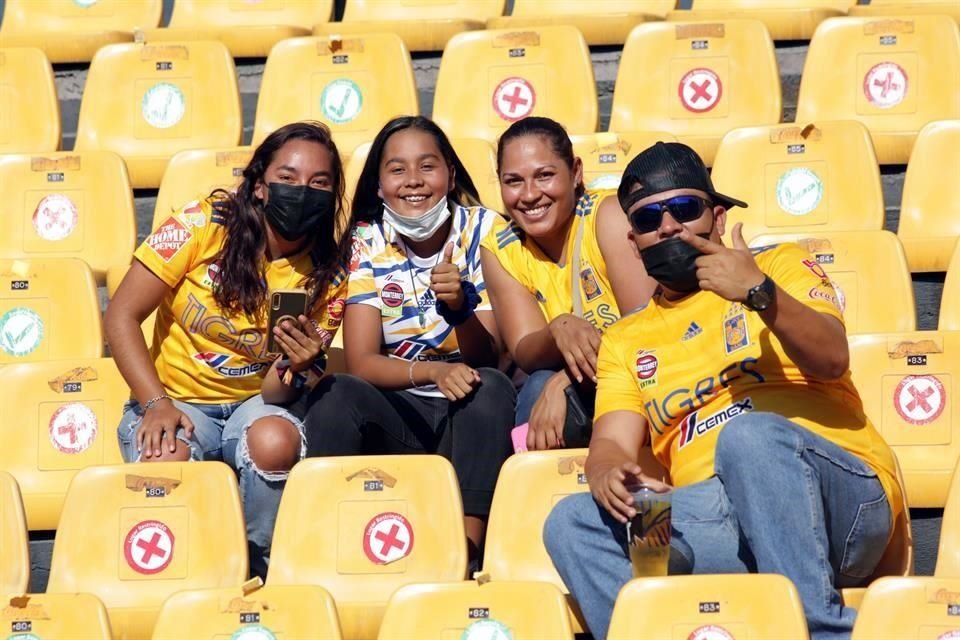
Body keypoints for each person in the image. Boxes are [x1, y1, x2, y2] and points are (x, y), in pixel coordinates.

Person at [543, 142, 906, 640]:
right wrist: (606, 470)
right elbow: (611, 441)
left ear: (716, 216)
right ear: (634, 242)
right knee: (571, 523)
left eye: (684, 209)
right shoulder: (627, 339)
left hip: (842, 503)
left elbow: (832, 356)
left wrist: (758, 293)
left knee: (748, 437)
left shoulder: (777, 266)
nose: (669, 227)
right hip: (722, 519)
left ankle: (818, 630)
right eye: (650, 219)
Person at [105, 121, 350, 578]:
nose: (303, 192)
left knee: (275, 441)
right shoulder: (203, 225)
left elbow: (278, 395)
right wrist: (154, 402)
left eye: (320, 183)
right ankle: (191, 575)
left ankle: (260, 566)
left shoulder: (329, 273)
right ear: (260, 185)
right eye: (288, 178)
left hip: (255, 403)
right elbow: (119, 316)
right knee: (165, 456)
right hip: (175, 398)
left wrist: (298, 365)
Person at [298, 116, 515, 567]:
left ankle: (467, 552)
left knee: (488, 385)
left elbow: (491, 353)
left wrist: (459, 310)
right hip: (403, 408)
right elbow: (362, 361)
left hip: (469, 408)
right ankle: (330, 542)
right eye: (397, 170)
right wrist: (432, 370)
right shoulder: (366, 240)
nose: (413, 181)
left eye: (427, 167)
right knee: (337, 393)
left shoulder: (485, 230)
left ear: (450, 175)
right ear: (379, 185)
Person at [481, 116, 655, 451]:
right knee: (536, 384)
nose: (530, 195)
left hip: (641, 371)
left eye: (545, 175)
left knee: (545, 384)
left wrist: (564, 380)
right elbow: (526, 351)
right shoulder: (499, 247)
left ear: (575, 173)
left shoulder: (607, 215)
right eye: (513, 181)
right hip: (576, 385)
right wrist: (558, 328)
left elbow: (645, 328)